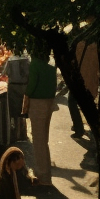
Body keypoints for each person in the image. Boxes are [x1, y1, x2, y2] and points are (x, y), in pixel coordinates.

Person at [26, 47, 57, 186]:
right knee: (43, 139)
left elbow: (31, 86)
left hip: (37, 104)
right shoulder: (50, 68)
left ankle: (42, 176)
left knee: (38, 140)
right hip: (49, 103)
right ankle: (45, 172)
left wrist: (25, 100)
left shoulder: (34, 65)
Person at [68, 34, 99, 139]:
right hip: (90, 82)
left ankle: (79, 128)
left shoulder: (79, 46)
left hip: (79, 80)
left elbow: (73, 62)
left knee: (72, 103)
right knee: (89, 106)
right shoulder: (97, 49)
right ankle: (94, 130)